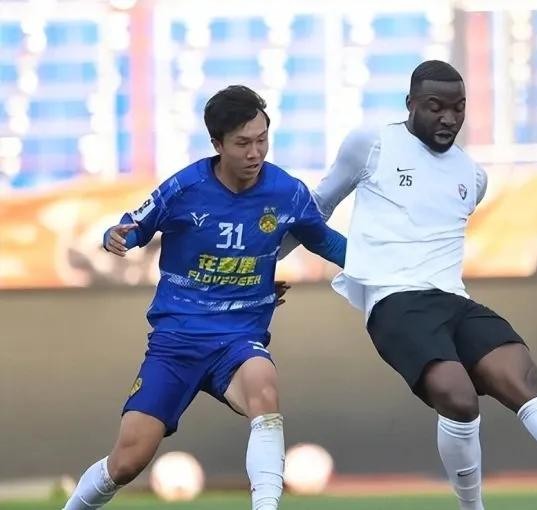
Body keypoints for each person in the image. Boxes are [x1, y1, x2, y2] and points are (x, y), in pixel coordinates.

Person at [281, 60, 537, 510]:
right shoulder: (371, 143)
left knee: (527, 379)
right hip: (397, 303)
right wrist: (266, 263)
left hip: (454, 301)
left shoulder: (472, 177)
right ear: (410, 104)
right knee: (457, 397)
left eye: (458, 108)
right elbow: (315, 209)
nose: (448, 118)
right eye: (435, 107)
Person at [62, 85, 346, 510]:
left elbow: (326, 242)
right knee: (127, 462)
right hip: (176, 343)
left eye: (262, 140)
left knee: (264, 386)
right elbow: (134, 226)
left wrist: (385, 267)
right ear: (217, 144)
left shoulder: (286, 192)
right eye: (243, 143)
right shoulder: (184, 188)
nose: (255, 152)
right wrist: (114, 236)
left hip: (238, 340)